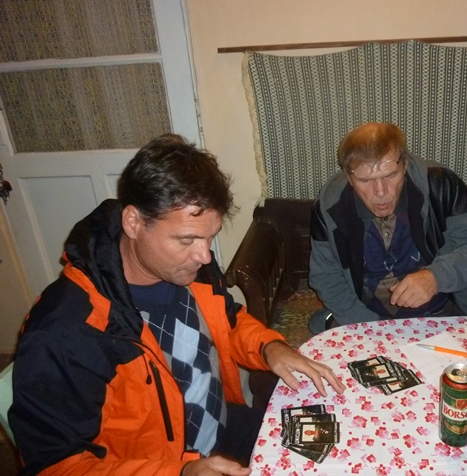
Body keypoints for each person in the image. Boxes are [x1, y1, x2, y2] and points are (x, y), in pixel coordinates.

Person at [9, 134, 345, 476]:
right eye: (187, 239)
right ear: (134, 222)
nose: (204, 255)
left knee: (341, 440)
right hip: (160, 467)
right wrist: (180, 471)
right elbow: (55, 466)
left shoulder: (188, 266)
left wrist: (269, 347)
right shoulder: (65, 330)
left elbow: (228, 321)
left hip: (223, 427)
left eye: (209, 237)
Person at [308, 122, 467, 334]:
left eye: (390, 175)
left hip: (441, 312)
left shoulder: (440, 184)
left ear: (405, 165)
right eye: (365, 180)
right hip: (364, 316)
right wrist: (369, 327)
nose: (380, 192)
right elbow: (325, 276)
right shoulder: (330, 204)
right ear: (349, 177)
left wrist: (436, 277)